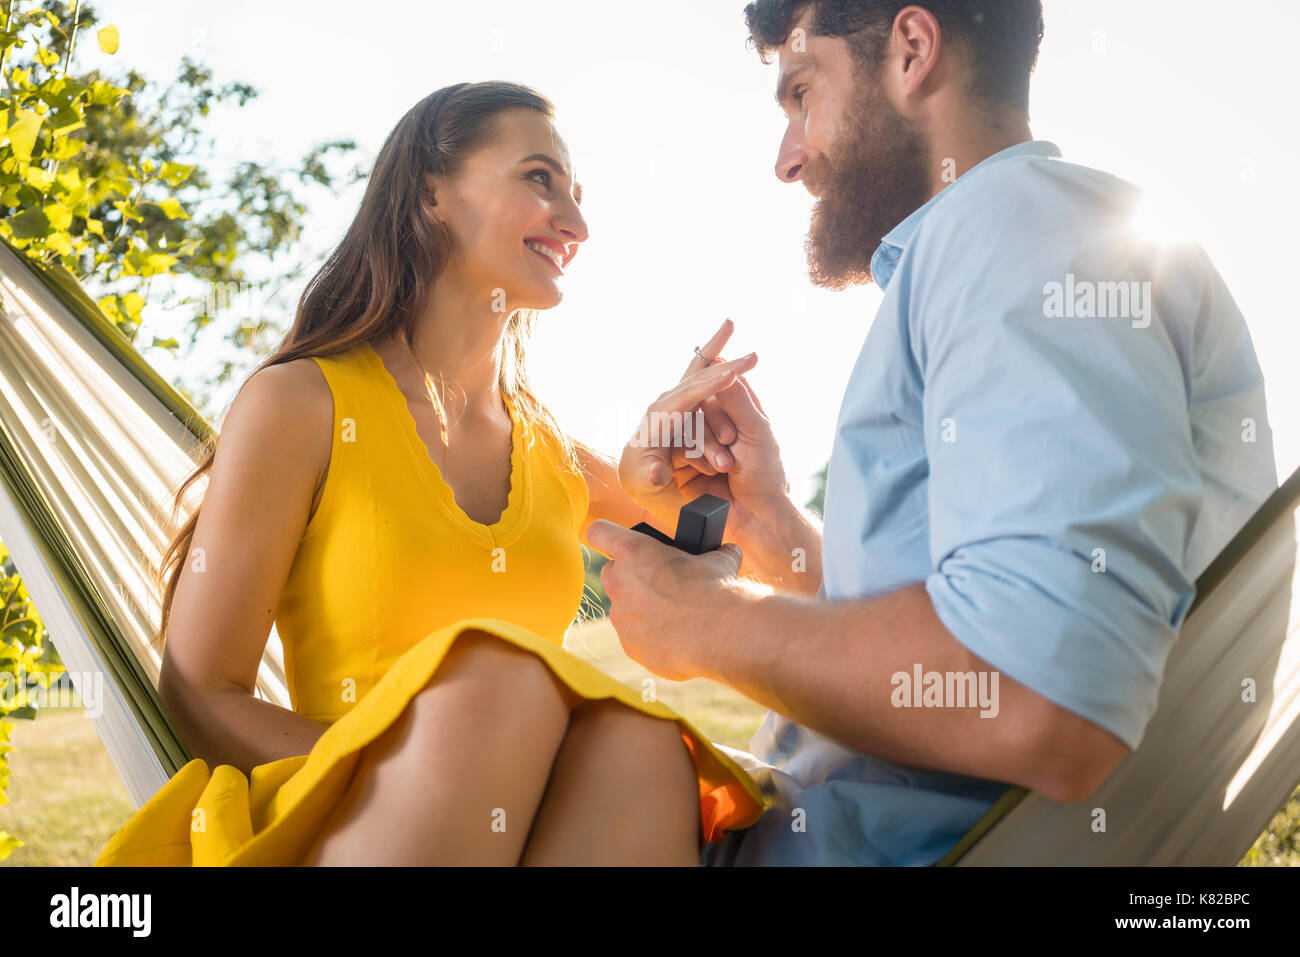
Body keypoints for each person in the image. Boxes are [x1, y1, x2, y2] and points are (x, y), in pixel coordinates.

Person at [589, 0, 1280, 865]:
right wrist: (775, 536)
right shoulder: (1032, 241)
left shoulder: (1020, 228)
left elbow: (1038, 693)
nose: (788, 156)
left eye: (803, 94)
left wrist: (706, 622)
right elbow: (969, 639)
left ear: (913, 50)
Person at [93, 81, 768, 867]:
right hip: (346, 815)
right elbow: (200, 691)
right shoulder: (302, 405)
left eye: (577, 196)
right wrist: (405, 760)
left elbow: (710, 559)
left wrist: (697, 475)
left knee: (638, 742)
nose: (577, 224)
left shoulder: (551, 451)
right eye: (539, 178)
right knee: (497, 684)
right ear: (431, 193)